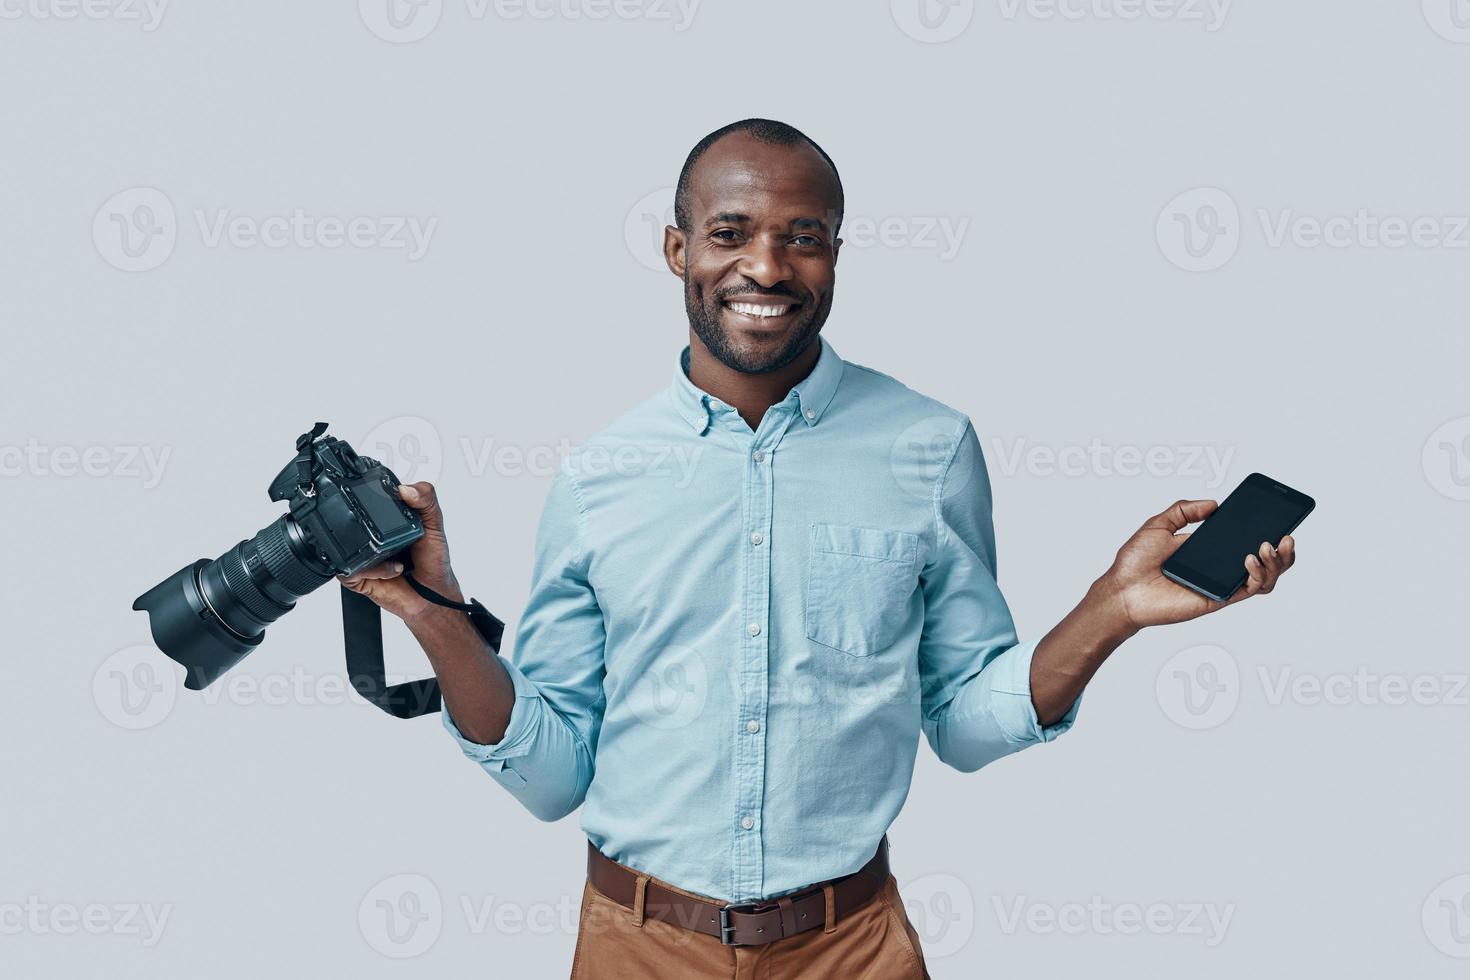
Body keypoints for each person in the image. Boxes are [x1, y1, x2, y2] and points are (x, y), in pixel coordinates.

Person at [341, 119, 1298, 979]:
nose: (767, 266)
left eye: (803, 238)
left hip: (853, 950)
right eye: (730, 233)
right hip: (636, 948)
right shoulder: (600, 475)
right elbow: (551, 776)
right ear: (677, 248)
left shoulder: (930, 447)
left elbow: (963, 725)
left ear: (836, 254)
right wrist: (436, 617)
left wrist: (1112, 611)